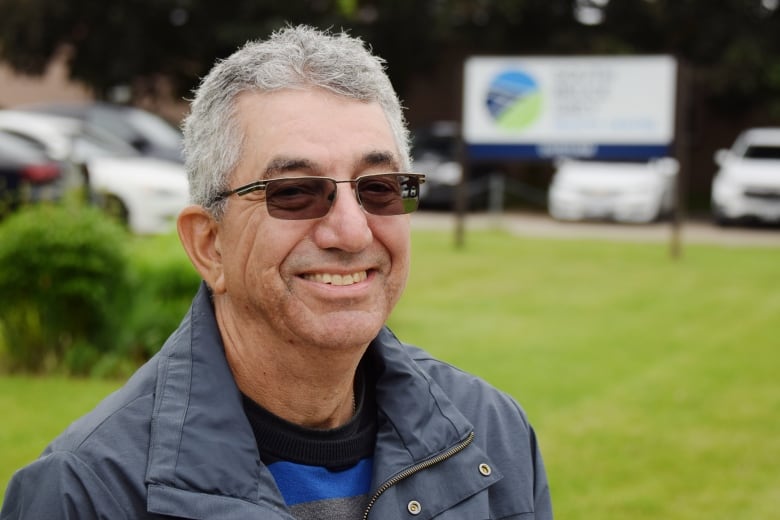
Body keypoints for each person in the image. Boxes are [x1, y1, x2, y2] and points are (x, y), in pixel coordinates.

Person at [0, 25, 552, 519]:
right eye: (294, 192)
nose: (352, 232)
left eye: (379, 187)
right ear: (209, 244)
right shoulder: (86, 495)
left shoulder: (494, 436)